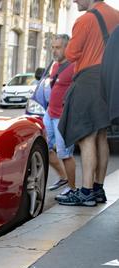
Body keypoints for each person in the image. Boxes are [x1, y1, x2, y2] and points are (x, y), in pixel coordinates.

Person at [58, 0, 119, 206]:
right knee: (101, 135)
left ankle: (85, 193)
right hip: (109, 79)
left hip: (89, 80)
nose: (74, 0)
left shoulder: (84, 20)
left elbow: (71, 54)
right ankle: (98, 189)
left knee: (86, 137)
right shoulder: (116, 15)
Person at [40, 35, 77, 199]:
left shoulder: (74, 66)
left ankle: (73, 188)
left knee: (65, 154)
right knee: (44, 147)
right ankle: (63, 178)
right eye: (53, 47)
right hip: (50, 113)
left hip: (63, 116)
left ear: (67, 47)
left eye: (58, 47)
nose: (54, 51)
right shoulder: (55, 66)